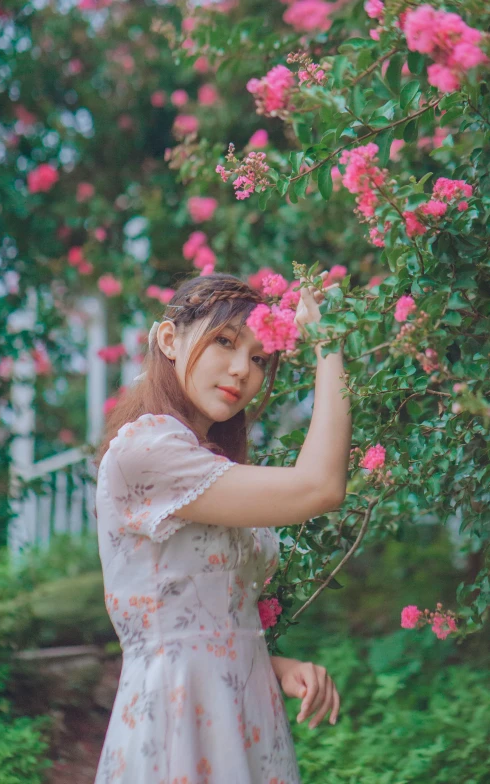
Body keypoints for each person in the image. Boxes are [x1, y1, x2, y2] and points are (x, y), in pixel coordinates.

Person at [94, 271, 352, 784]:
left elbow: (202, 618)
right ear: (169, 340)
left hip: (243, 716)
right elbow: (319, 487)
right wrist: (328, 343)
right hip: (177, 721)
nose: (242, 370)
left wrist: (274, 667)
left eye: (259, 358)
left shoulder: (202, 461)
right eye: (224, 342)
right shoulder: (147, 450)